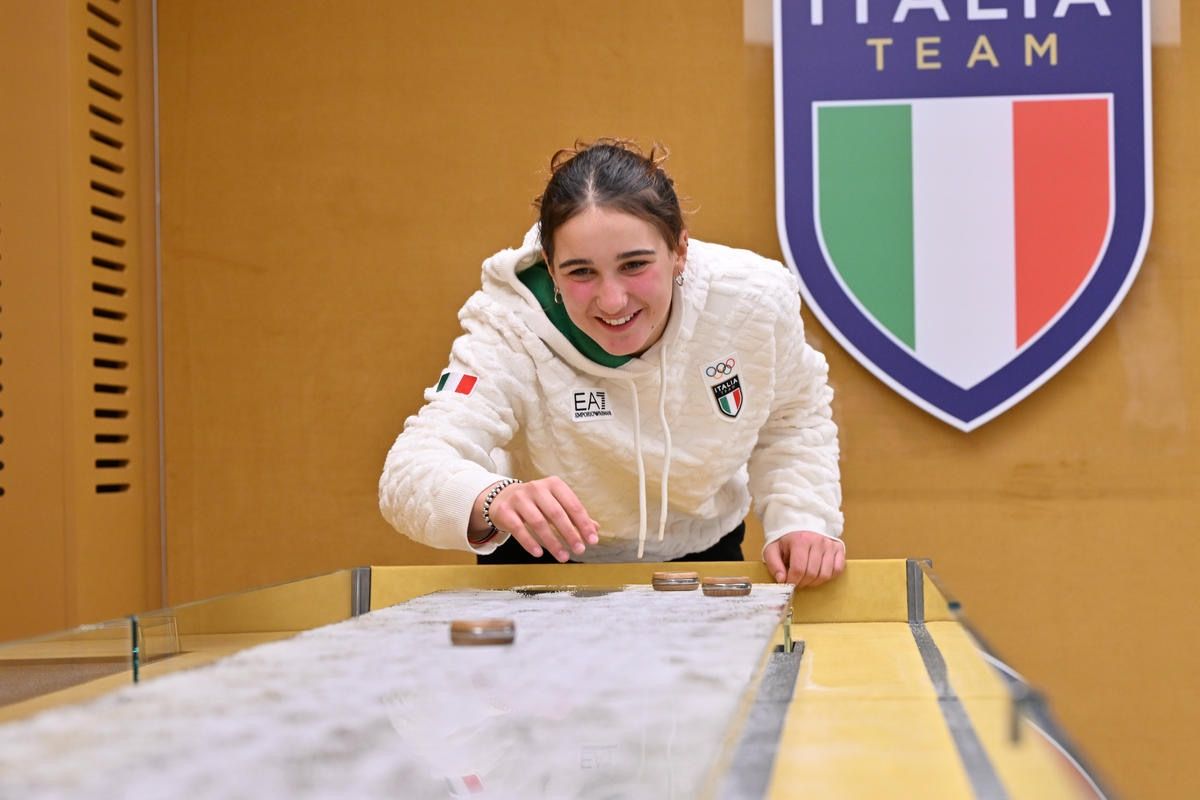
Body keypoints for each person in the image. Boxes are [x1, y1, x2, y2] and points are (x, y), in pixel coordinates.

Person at [379, 140, 845, 587]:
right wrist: (491, 499)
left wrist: (803, 518)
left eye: (634, 265)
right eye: (581, 272)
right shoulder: (508, 328)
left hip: (702, 552)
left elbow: (792, 415)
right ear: (550, 266)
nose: (613, 300)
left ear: (680, 251)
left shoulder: (753, 300)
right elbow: (411, 468)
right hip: (539, 561)